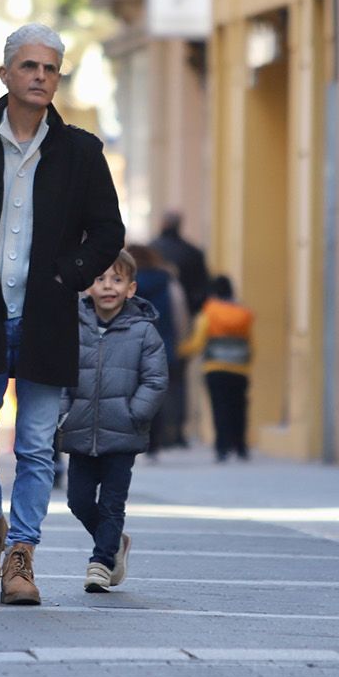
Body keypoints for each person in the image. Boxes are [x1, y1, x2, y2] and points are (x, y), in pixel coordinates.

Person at [0, 22, 125, 605]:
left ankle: (22, 556)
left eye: (51, 69)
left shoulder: (81, 151)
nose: (41, 77)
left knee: (36, 447)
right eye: (30, 67)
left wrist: (68, 277)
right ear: (6, 73)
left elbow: (108, 230)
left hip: (48, 318)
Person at [58, 249, 167, 592]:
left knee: (112, 502)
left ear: (131, 289)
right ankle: (116, 542)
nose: (108, 286)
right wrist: (63, 413)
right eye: (100, 279)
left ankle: (101, 562)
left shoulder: (143, 332)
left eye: (117, 280)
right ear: (88, 286)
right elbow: (61, 373)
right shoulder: (73, 327)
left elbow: (155, 379)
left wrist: (136, 413)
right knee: (78, 500)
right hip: (80, 430)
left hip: (123, 432)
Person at [178, 276, 253, 462]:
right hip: (240, 368)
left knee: (219, 407)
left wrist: (180, 350)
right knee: (239, 407)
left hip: (215, 367)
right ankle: (241, 447)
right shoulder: (244, 313)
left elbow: (198, 343)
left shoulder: (209, 313)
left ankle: (222, 447)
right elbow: (251, 342)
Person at [152, 211, 209, 447]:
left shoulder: (150, 250)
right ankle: (177, 431)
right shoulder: (193, 253)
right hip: (179, 329)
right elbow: (203, 292)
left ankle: (155, 434)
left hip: (147, 328)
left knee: (150, 380)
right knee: (177, 382)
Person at [126, 243, 184, 452]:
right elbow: (179, 313)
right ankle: (158, 440)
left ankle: (140, 435)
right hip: (163, 341)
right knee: (156, 389)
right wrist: (178, 339)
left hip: (131, 342)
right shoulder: (167, 280)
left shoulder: (126, 282)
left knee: (133, 390)